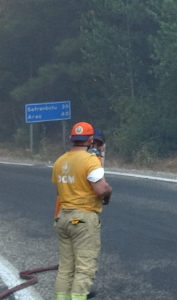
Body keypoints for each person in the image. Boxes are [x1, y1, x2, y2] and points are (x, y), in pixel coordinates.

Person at [53, 121, 112, 300]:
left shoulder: (59, 161)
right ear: (90, 139)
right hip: (83, 219)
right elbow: (101, 189)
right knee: (85, 267)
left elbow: (59, 192)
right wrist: (109, 192)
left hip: (63, 217)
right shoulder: (90, 160)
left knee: (66, 266)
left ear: (71, 138)